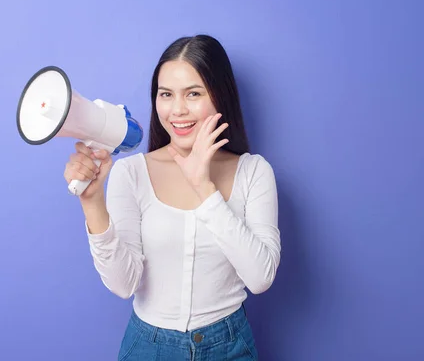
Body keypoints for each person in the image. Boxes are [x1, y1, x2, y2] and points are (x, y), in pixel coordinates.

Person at [63, 34, 281, 360]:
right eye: (166, 94)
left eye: (193, 93)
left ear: (220, 96)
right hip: (147, 348)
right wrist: (92, 202)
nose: (177, 110)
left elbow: (260, 278)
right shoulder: (131, 173)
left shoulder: (254, 172)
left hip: (230, 347)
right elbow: (124, 285)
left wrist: (203, 187)